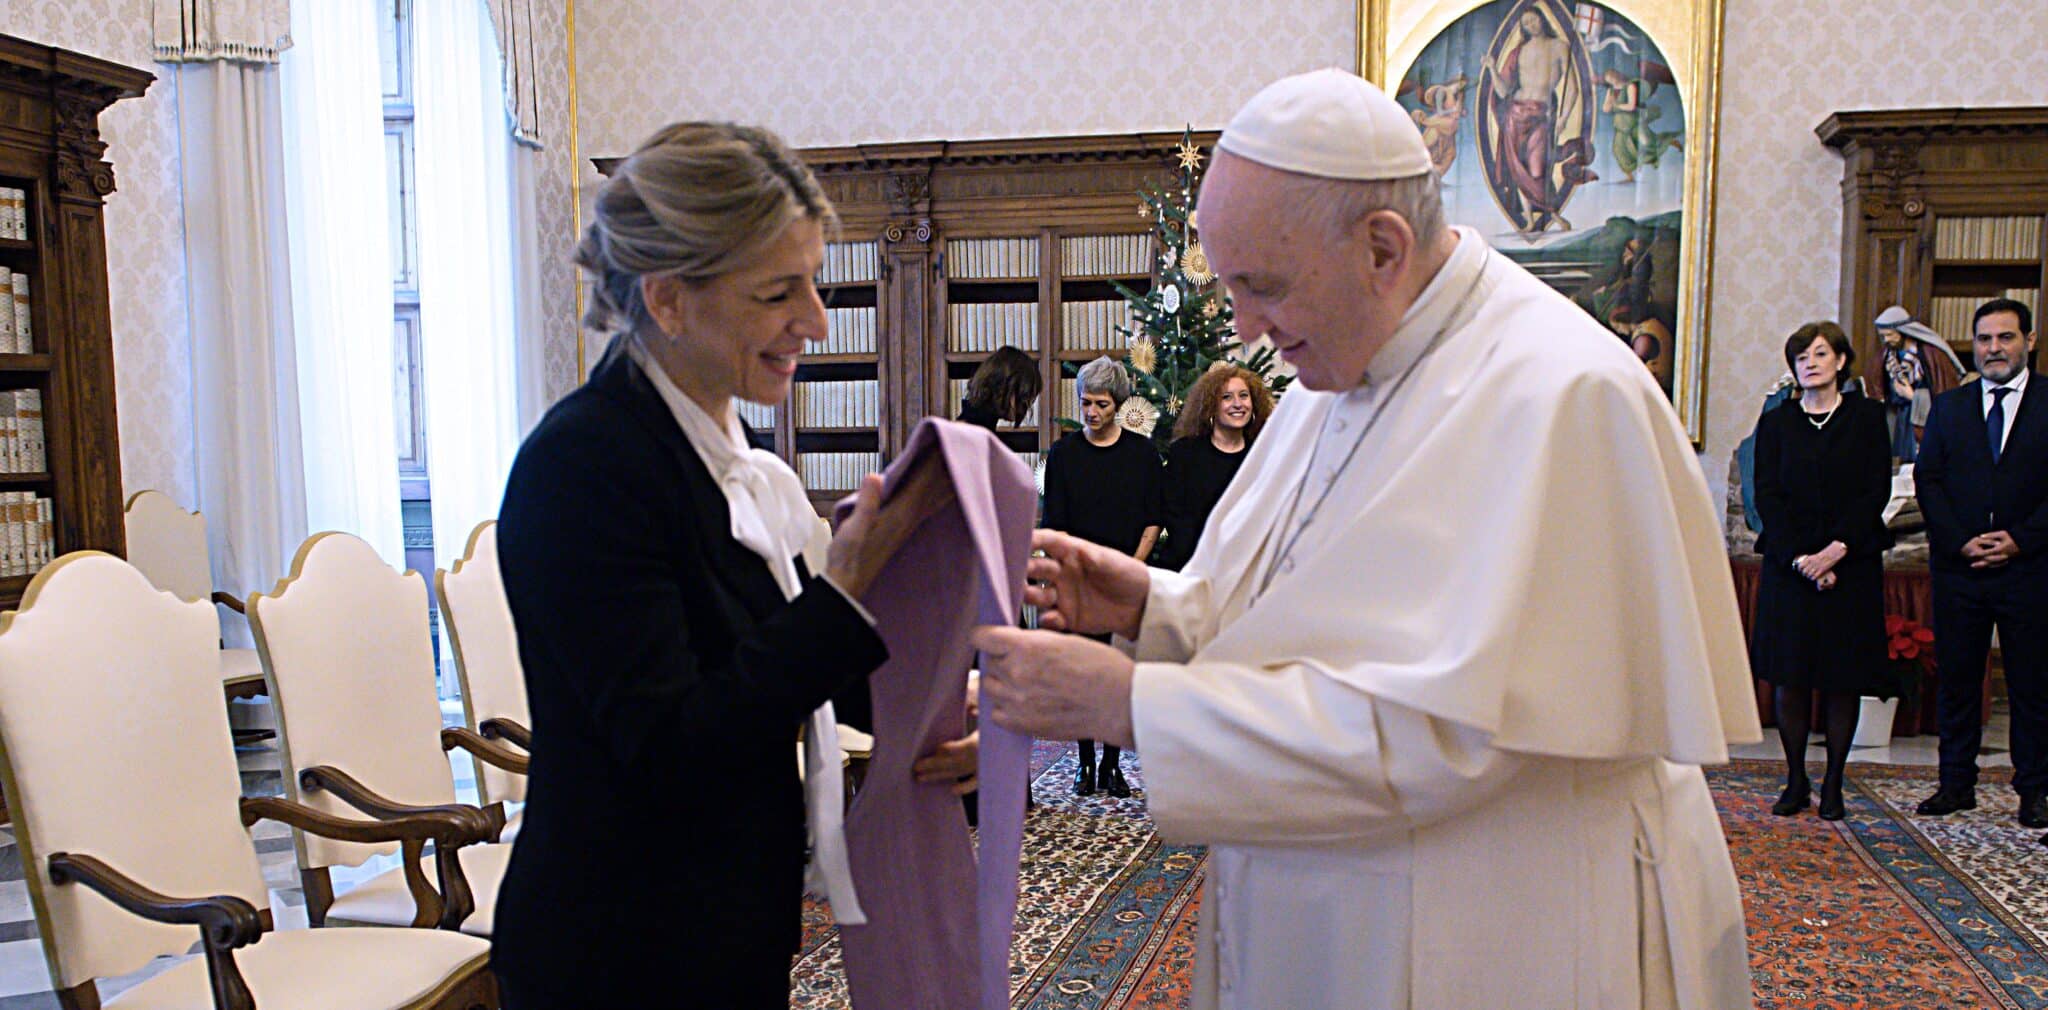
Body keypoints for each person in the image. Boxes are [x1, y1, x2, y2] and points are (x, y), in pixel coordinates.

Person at [974, 70, 1758, 1009]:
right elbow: (1309, 615)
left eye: (1261, 287)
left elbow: (1455, 731)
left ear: (1382, 249)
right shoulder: (1335, 369)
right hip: (1338, 900)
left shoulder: (1559, 394)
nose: (1246, 327)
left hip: (1491, 921)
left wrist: (1136, 709)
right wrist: (1154, 605)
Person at [490, 122, 972, 1006]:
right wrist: (847, 585)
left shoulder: (731, 455)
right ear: (669, 299)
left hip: (719, 928)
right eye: (778, 292)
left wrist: (945, 707)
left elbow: (780, 663)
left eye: (814, 283)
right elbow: (678, 743)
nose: (815, 321)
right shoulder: (586, 467)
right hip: (621, 953)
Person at [1912, 297, 2048, 829]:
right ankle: (1955, 784)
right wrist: (1962, 540)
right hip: (1960, 568)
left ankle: (2035, 789)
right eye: (1985, 339)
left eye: (2006, 337)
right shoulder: (1950, 407)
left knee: (2032, 684)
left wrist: (2018, 539)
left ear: (2029, 341)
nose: (1994, 349)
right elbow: (1930, 481)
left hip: (2030, 568)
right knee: (1959, 679)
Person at [1748, 321, 1893, 821]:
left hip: (1850, 565)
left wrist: (1835, 553)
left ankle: (1833, 783)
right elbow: (1767, 494)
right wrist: (1804, 560)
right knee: (1791, 678)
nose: (1809, 363)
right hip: (1791, 566)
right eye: (1800, 357)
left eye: (1818, 354)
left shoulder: (1868, 419)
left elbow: (1873, 492)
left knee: (1841, 679)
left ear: (1841, 361)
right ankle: (1795, 779)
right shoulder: (1776, 422)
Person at [1040, 355, 1162, 798]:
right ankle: (1085, 762)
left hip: (1124, 577)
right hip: (1078, 580)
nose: (1091, 412)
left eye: (1101, 404)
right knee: (1083, 676)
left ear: (1119, 405)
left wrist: (1132, 566)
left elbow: (1153, 518)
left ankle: (1113, 765)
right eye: (1086, 403)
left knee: (1118, 676)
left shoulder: (1142, 455)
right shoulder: (1064, 454)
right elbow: (1054, 523)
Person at [1159, 363, 1273, 570]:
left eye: (1244, 396)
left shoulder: (1263, 456)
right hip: (1192, 567)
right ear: (1212, 405)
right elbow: (1175, 518)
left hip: (1245, 569)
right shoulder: (1184, 454)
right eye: (1227, 397)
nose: (1238, 404)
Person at [1875, 304, 1967, 461]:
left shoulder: (1931, 354)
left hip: (1923, 418)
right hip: (1901, 415)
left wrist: (1912, 396)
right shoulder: (1888, 354)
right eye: (1883, 336)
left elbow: (1942, 394)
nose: (1886, 340)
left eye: (1890, 335)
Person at [958, 345, 1042, 431]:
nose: (1027, 407)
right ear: (1005, 388)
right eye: (1025, 398)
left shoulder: (975, 425)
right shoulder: (973, 431)